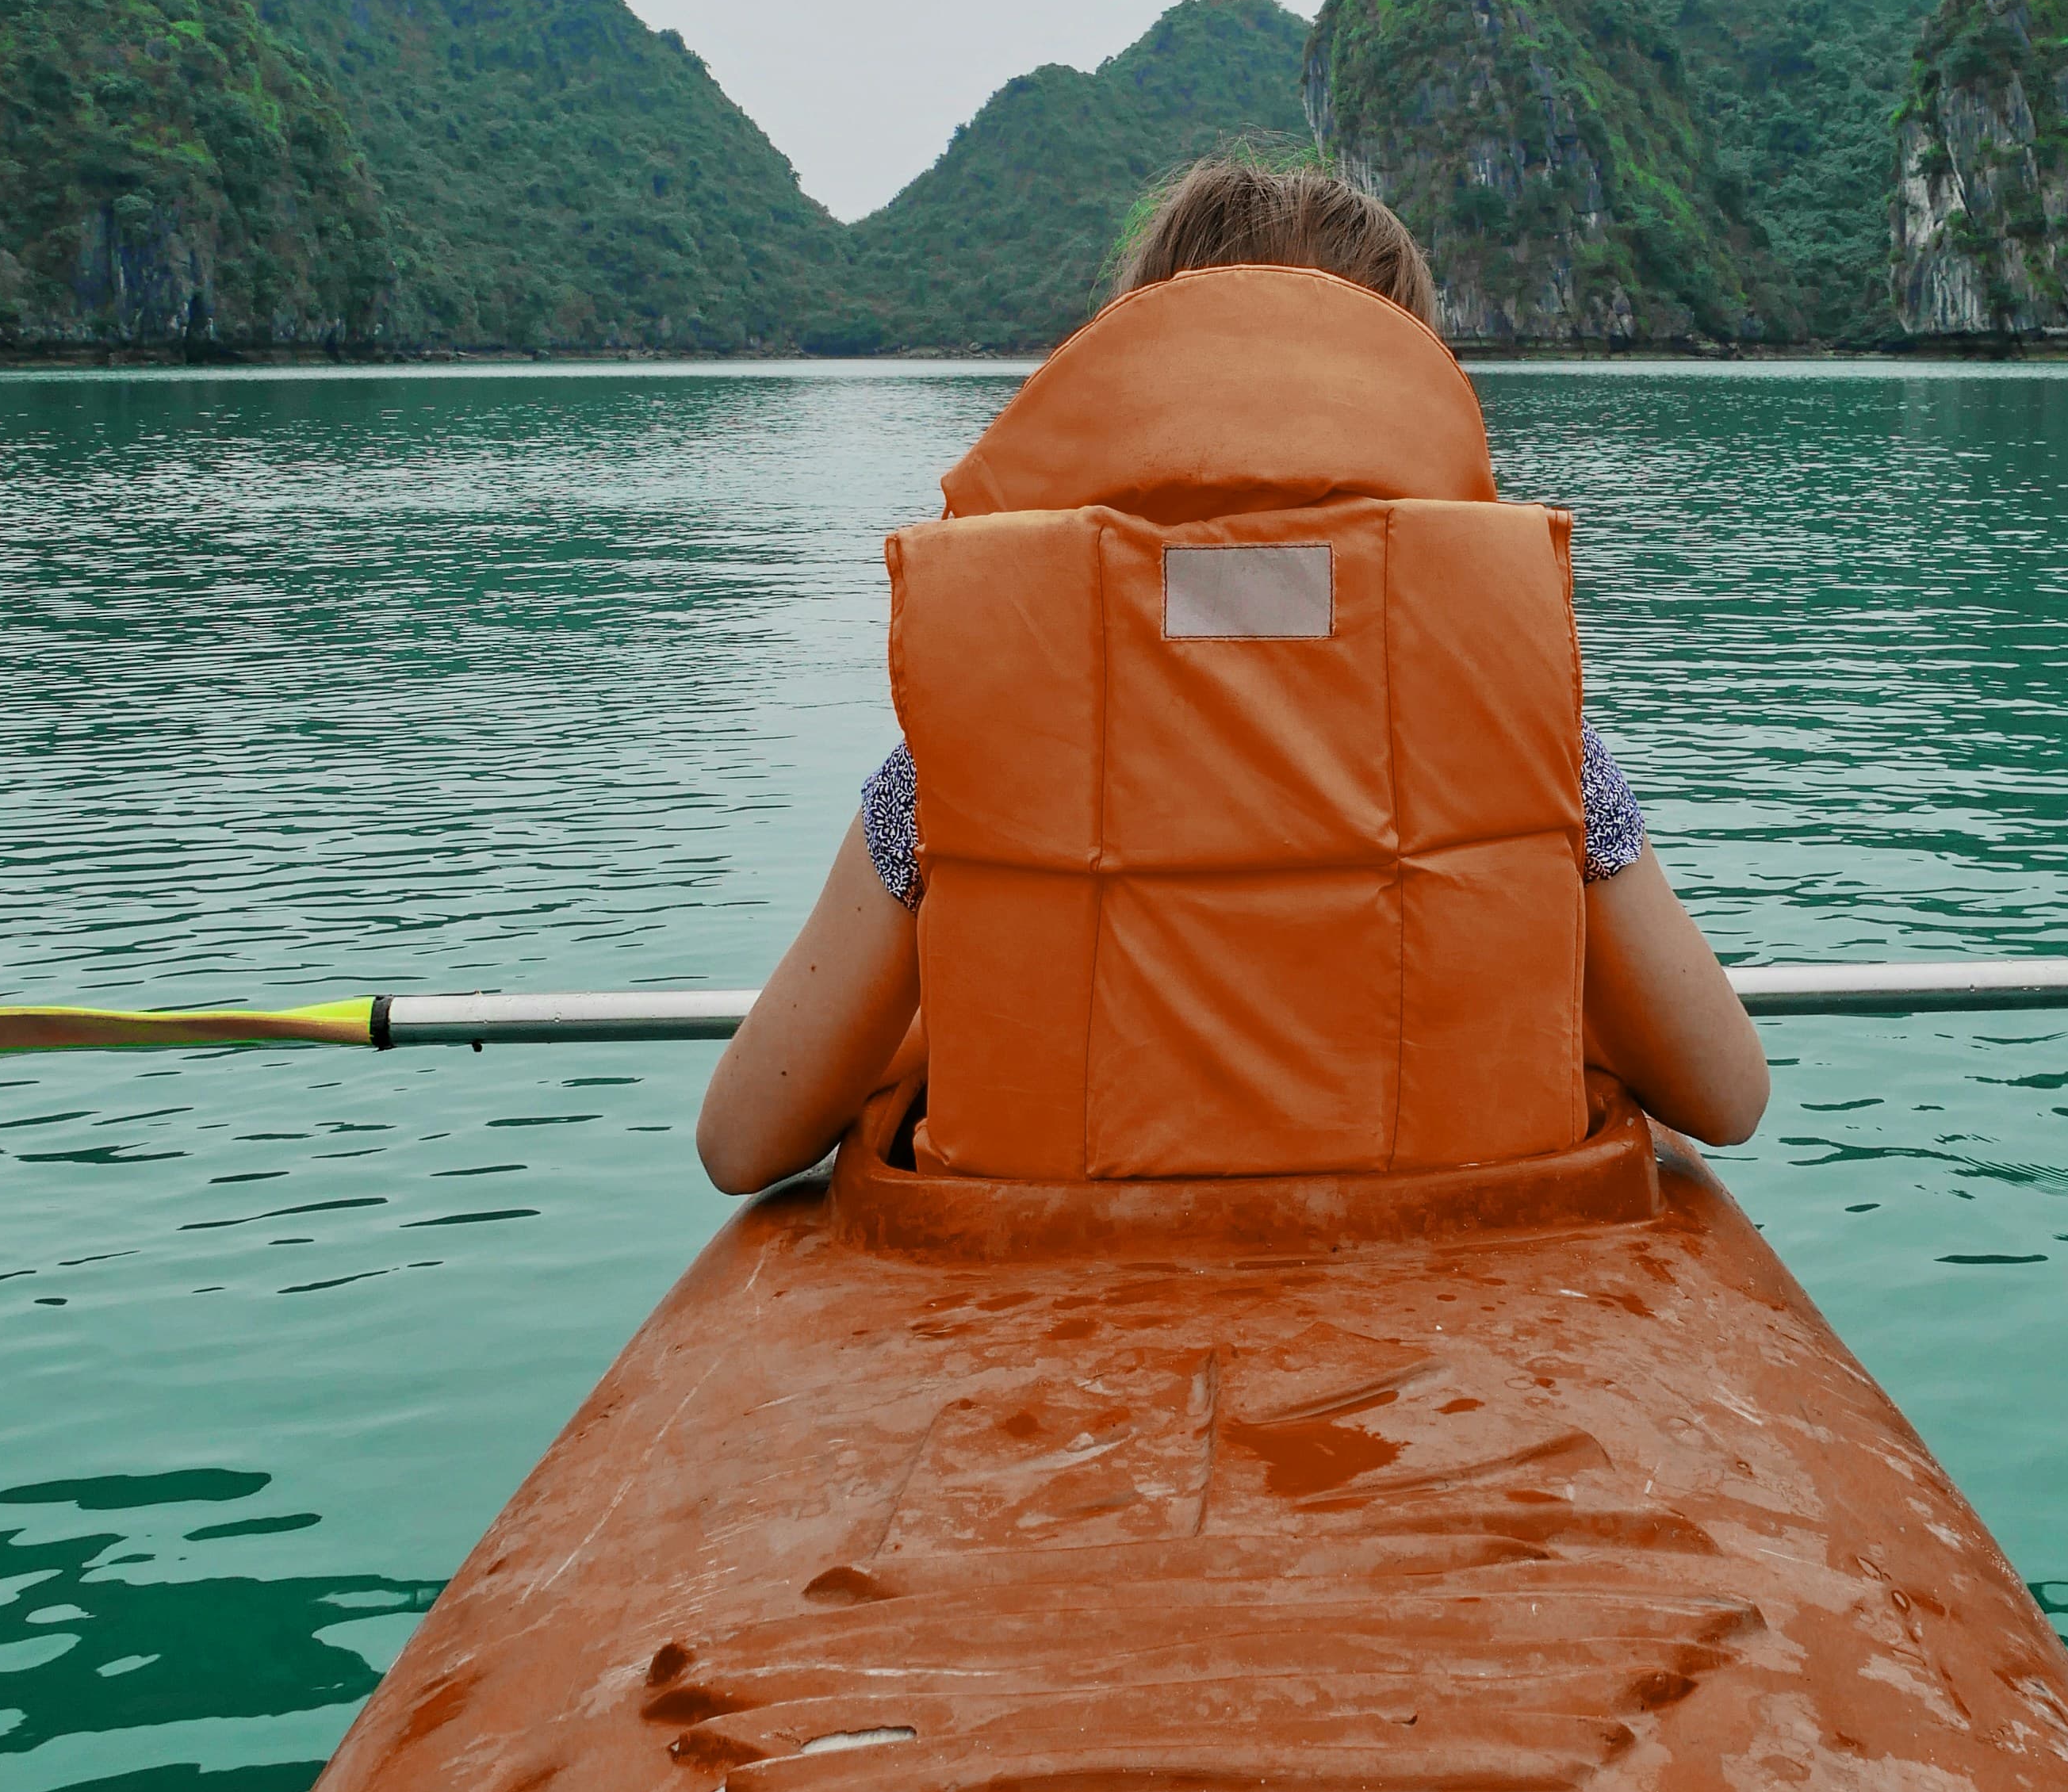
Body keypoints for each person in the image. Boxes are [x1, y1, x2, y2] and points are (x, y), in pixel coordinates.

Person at [698, 161, 1768, 1193]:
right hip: (1444, 1290)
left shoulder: (976, 724)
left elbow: (743, 1140)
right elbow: (1723, 1093)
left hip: (1053, 1288)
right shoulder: (1526, 719)